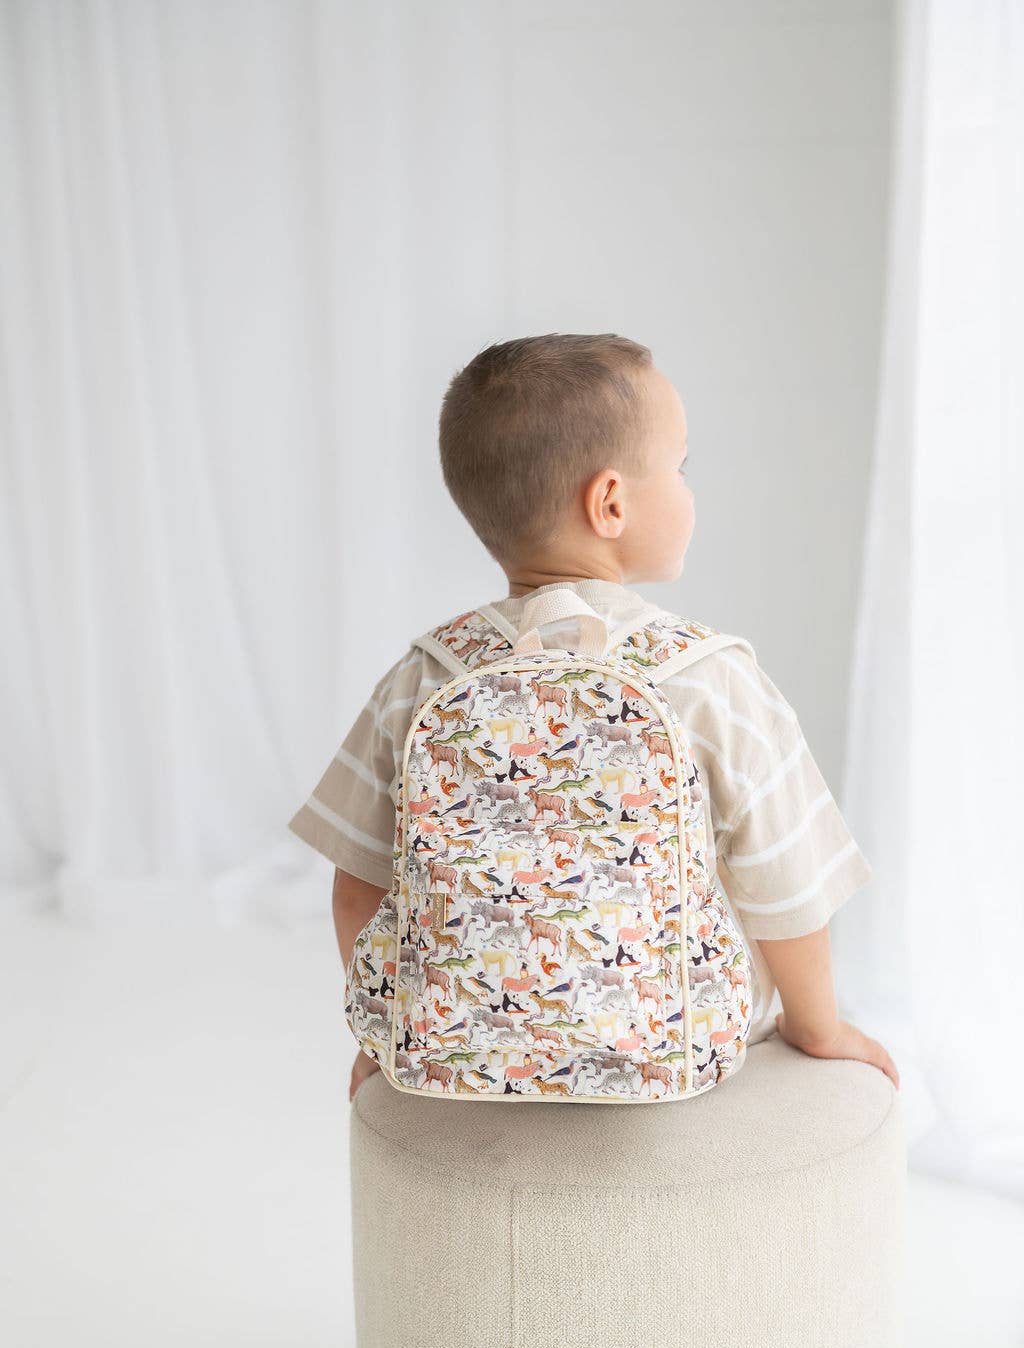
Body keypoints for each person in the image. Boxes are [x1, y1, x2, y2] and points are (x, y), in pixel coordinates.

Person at [287, 332, 899, 1102]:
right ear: (610, 503)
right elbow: (787, 886)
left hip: (454, 1046)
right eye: (681, 467)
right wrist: (819, 1028)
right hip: (675, 1051)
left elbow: (356, 885)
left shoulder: (423, 676)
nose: (689, 489)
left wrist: (388, 1034)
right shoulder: (710, 677)